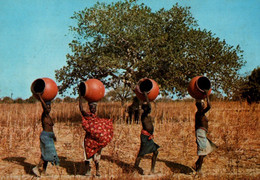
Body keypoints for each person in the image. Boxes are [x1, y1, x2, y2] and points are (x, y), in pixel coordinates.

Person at [79, 91, 113, 177]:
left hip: (97, 141)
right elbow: (81, 109)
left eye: (94, 107)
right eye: (92, 107)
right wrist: (80, 96)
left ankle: (98, 171)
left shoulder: (97, 118)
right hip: (89, 140)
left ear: (96, 109)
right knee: (87, 157)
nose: (93, 109)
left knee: (97, 158)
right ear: (89, 108)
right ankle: (87, 171)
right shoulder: (88, 116)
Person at [32, 94, 59, 177]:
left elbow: (51, 127)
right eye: (47, 106)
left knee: (46, 154)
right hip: (45, 136)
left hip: (49, 136)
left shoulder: (49, 117)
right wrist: (40, 97)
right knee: (46, 154)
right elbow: (44, 107)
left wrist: (54, 136)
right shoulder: (44, 115)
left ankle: (44, 171)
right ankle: (36, 168)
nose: (48, 108)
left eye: (50, 106)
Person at [134, 92, 159, 174]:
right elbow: (149, 106)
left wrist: (146, 97)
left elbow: (149, 107)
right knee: (141, 153)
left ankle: (152, 170)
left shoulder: (147, 115)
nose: (149, 109)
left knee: (155, 152)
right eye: (147, 108)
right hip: (145, 137)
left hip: (148, 136)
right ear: (144, 109)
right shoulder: (143, 115)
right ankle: (135, 169)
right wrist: (145, 96)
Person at [194, 91, 217, 173]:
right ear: (200, 106)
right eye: (203, 104)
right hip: (200, 133)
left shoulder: (200, 113)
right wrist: (207, 95)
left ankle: (197, 164)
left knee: (208, 149)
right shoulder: (200, 112)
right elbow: (209, 106)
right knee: (202, 152)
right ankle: (198, 170)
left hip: (202, 133)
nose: (204, 105)